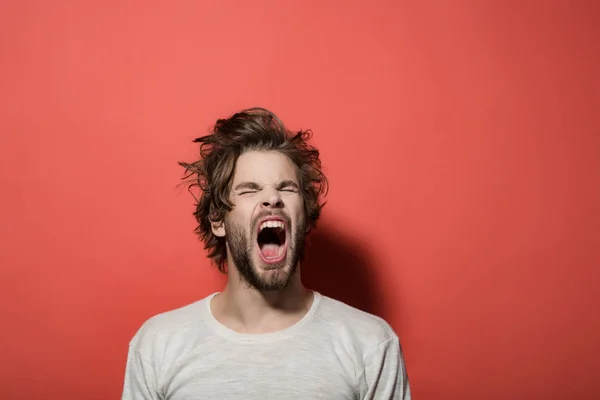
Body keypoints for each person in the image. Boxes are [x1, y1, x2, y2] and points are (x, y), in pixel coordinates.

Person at [121, 108, 411, 399]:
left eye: (287, 188)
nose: (272, 198)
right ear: (218, 220)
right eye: (249, 190)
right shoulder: (158, 345)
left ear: (306, 218)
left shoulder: (371, 344)